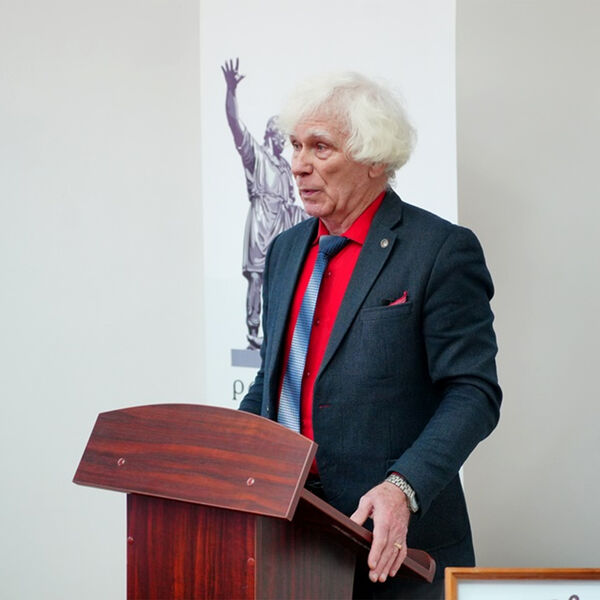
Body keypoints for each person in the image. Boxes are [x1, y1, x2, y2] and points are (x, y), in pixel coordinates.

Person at [239, 71, 501, 599]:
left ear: (374, 159)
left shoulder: (439, 250)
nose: (298, 164)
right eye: (295, 145)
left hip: (396, 551)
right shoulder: (285, 249)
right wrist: (227, 450)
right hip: (287, 543)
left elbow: (473, 393)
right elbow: (275, 379)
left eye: (320, 147)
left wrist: (403, 488)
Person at [222, 58, 307, 350]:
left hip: (283, 223)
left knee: (281, 279)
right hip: (261, 221)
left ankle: (276, 335)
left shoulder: (285, 167)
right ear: (272, 134)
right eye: (283, 136)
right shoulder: (256, 155)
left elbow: (293, 201)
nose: (286, 143)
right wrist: (231, 90)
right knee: (256, 278)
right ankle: (252, 331)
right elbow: (234, 124)